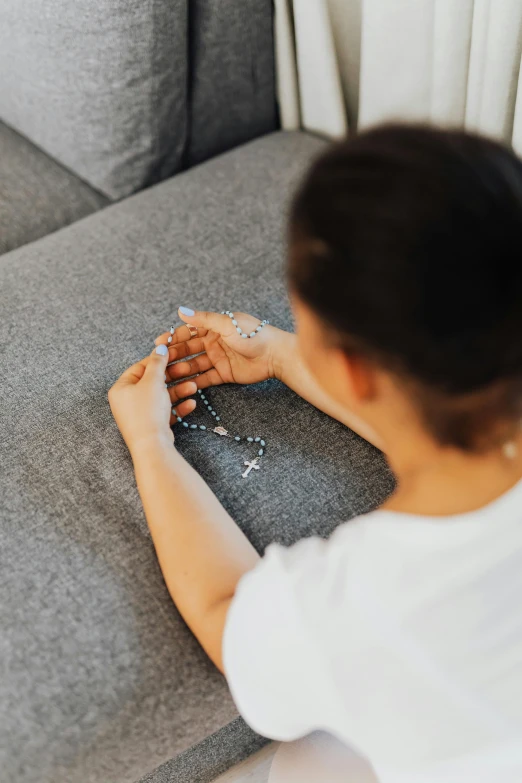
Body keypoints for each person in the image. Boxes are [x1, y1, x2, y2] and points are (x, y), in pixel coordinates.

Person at [108, 125, 522, 782]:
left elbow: (226, 613)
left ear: (352, 369)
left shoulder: (369, 597)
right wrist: (279, 350)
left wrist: (151, 443)